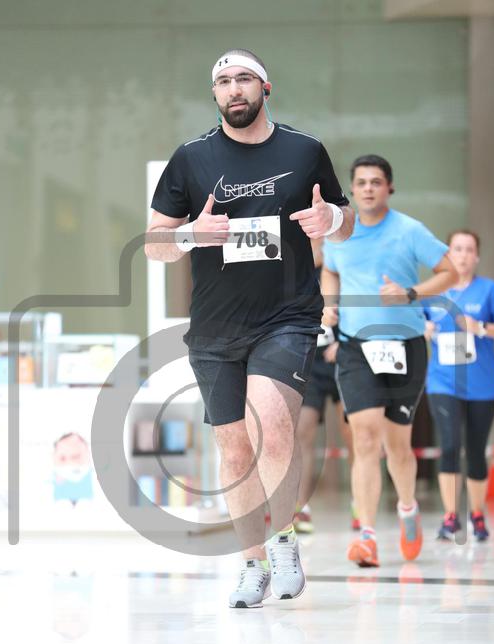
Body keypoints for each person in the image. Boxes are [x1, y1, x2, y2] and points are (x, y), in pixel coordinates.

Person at [145, 49, 354, 606]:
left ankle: (284, 541)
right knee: (234, 450)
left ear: (266, 88)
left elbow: (346, 221)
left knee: (275, 428)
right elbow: (154, 244)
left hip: (287, 316)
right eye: (223, 81)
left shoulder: (304, 150)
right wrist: (190, 234)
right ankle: (251, 563)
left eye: (244, 79)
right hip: (215, 326)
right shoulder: (190, 159)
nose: (233, 88)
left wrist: (331, 219)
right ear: (215, 94)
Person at [322, 154, 457, 568]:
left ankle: (407, 507)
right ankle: (366, 536)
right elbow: (330, 271)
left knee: (398, 446)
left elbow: (449, 271)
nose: (368, 188)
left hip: (405, 345)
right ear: (352, 189)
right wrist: (328, 304)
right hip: (355, 347)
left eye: (376, 182)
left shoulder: (409, 230)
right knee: (365, 438)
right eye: (361, 182)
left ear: (389, 188)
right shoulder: (339, 234)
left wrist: (411, 293)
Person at [424, 230, 494, 541]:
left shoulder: (489, 290)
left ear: (477, 256)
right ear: (448, 254)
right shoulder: (433, 291)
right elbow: (410, 324)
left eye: (469, 249)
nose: (463, 254)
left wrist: (480, 327)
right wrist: (422, 328)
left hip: (482, 384)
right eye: (457, 248)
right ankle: (450, 516)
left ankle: (477, 515)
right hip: (442, 381)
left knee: (476, 449)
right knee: (450, 445)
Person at [293, 241, 357, 535]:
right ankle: (300, 507)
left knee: (352, 433)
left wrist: (344, 342)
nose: (314, 243)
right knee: (302, 431)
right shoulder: (294, 272)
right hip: (310, 362)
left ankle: (360, 502)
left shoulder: (340, 268)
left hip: (344, 360)